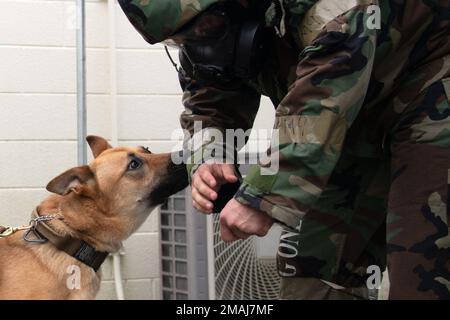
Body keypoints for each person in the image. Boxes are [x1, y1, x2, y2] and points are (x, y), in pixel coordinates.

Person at [119, 0, 450, 300]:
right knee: (312, 268)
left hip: (432, 90)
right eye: (180, 40)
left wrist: (263, 197)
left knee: (424, 269)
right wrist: (210, 156)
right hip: (348, 121)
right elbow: (207, 101)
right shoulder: (210, 34)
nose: (198, 46)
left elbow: (319, 105)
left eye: (204, 29)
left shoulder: (332, 8)